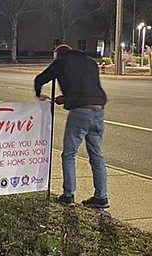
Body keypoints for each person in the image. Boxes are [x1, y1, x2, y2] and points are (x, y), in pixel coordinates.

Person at [34, 44, 109, 208]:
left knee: (69, 154)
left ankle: (68, 195)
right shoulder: (89, 62)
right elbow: (85, 88)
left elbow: (40, 79)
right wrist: (66, 98)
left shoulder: (61, 61)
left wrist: (39, 95)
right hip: (98, 110)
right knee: (96, 155)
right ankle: (101, 196)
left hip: (80, 112)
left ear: (58, 55)